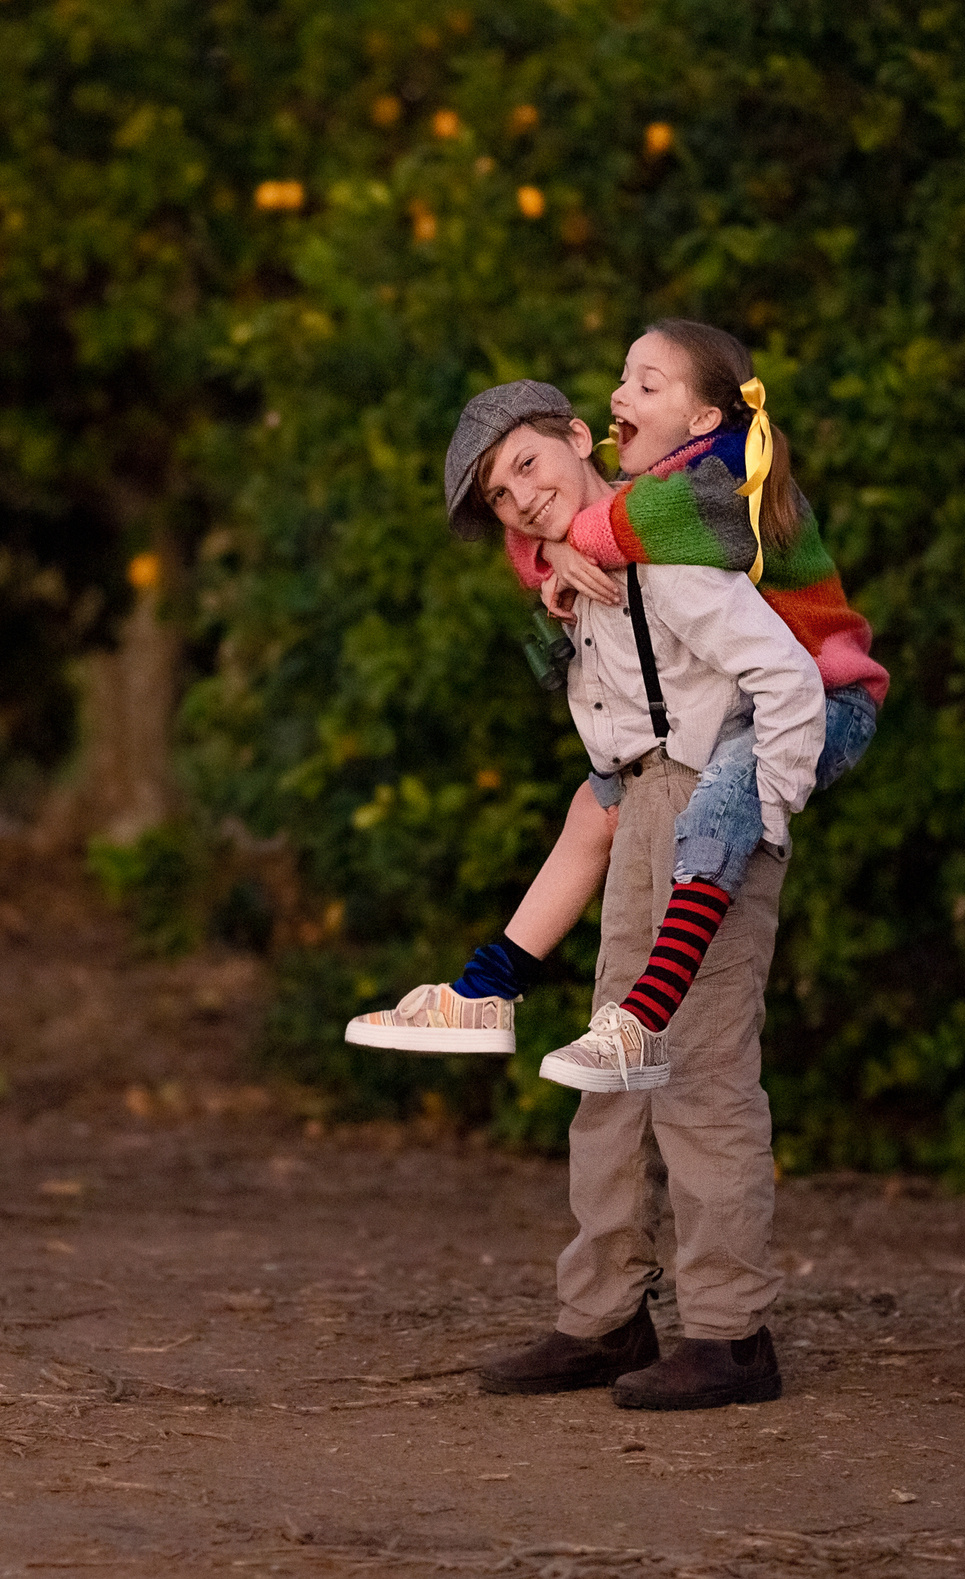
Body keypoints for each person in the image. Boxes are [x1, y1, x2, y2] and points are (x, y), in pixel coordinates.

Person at [412, 378, 826, 1409]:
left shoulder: (671, 538)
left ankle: (730, 1335)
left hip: (708, 810)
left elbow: (781, 677)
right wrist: (550, 553)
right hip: (635, 804)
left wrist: (763, 810)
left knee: (701, 1074)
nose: (521, 497)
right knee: (612, 1072)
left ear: (570, 435)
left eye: (526, 464)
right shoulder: (570, 559)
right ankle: (602, 1316)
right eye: (502, 497)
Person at [346, 323, 886, 1091]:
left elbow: (637, 522)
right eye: (500, 493)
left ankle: (644, 1016)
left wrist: (566, 546)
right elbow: (570, 521)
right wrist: (551, 551)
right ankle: (487, 987)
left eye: (645, 384)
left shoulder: (719, 476)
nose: (618, 395)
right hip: (752, 704)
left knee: (726, 804)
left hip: (823, 693)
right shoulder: (656, 487)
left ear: (703, 416)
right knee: (590, 809)